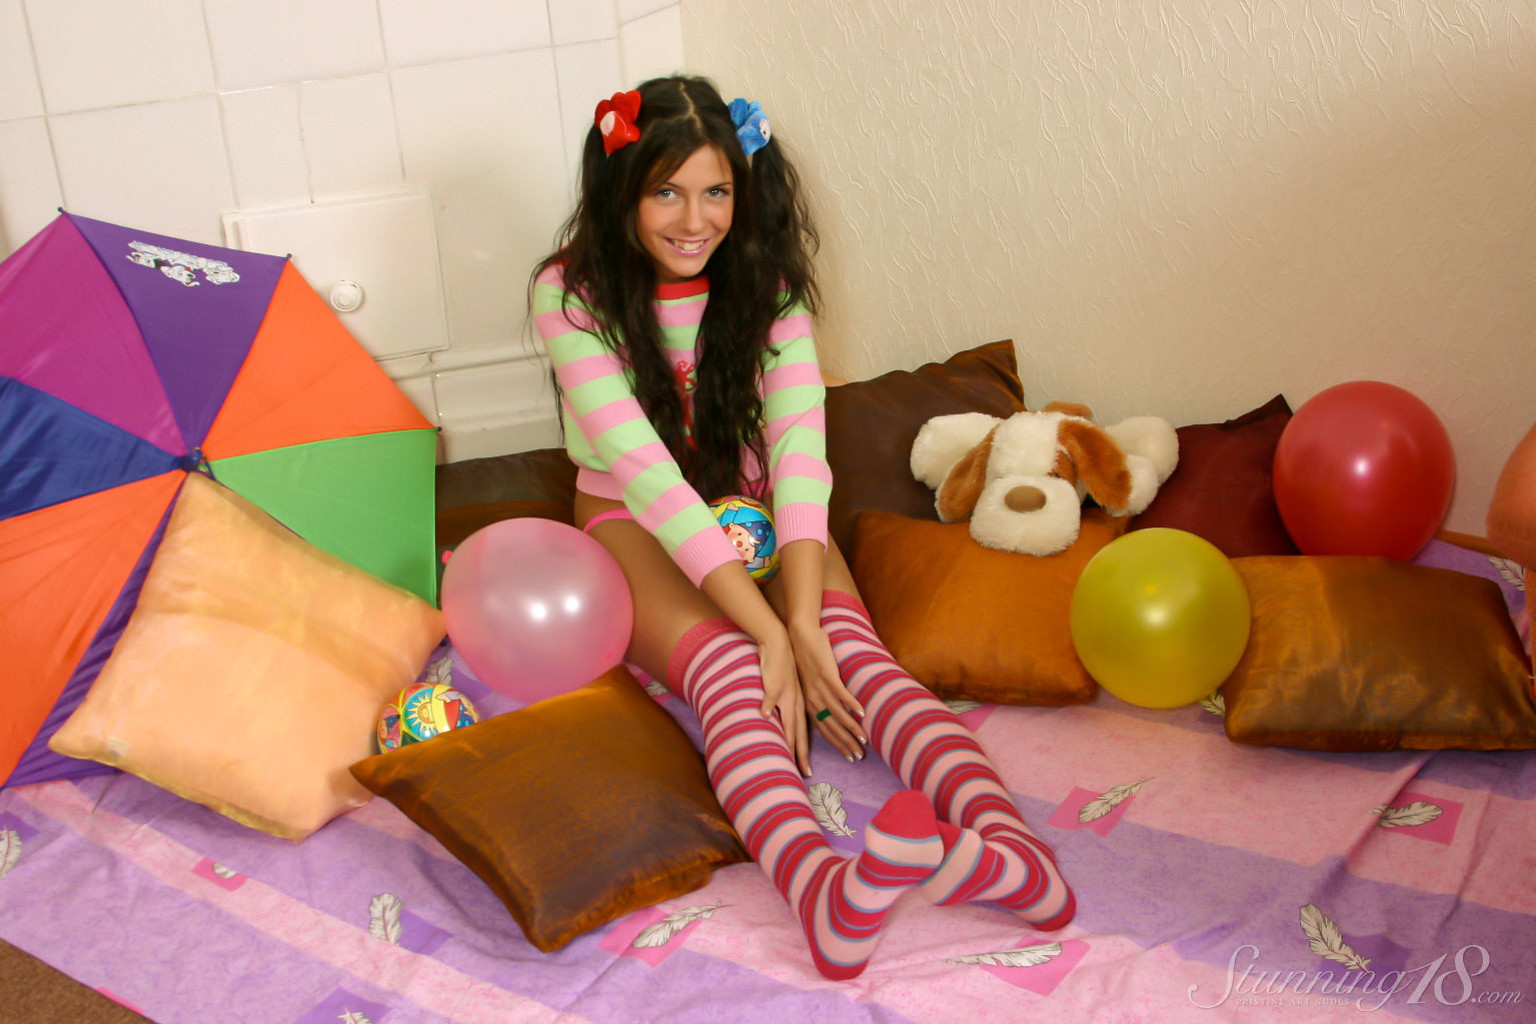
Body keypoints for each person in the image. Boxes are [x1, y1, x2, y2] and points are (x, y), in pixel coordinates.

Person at [530, 75, 1075, 980]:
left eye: (716, 191)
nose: (695, 220)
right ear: (621, 191)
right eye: (666, 192)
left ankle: (1012, 849)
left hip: (757, 505)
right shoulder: (570, 293)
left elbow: (797, 454)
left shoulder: (769, 285)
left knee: (861, 662)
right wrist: (768, 631)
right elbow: (649, 477)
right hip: (635, 516)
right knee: (733, 675)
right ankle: (824, 892)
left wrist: (809, 622)